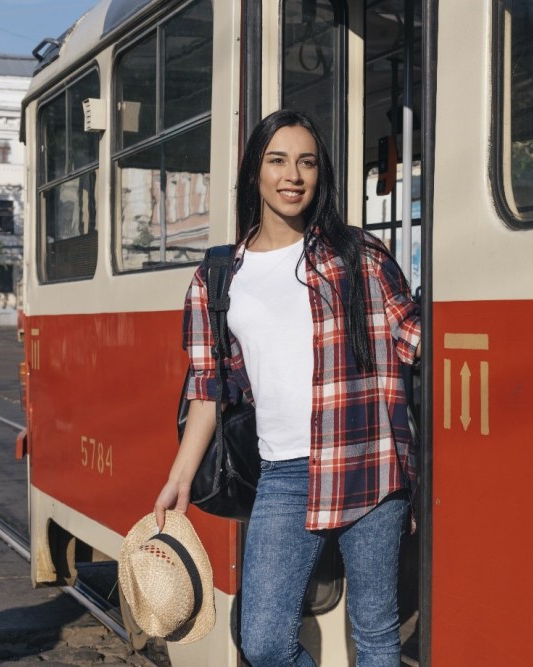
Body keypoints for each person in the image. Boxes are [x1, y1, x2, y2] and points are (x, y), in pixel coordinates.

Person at [153, 109, 421, 667]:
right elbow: (208, 390)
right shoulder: (217, 279)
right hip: (284, 475)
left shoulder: (361, 257)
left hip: (369, 462)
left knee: (375, 635)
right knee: (264, 643)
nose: (292, 175)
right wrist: (178, 479)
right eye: (277, 161)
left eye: (306, 162)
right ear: (255, 171)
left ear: (320, 175)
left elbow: (417, 339)